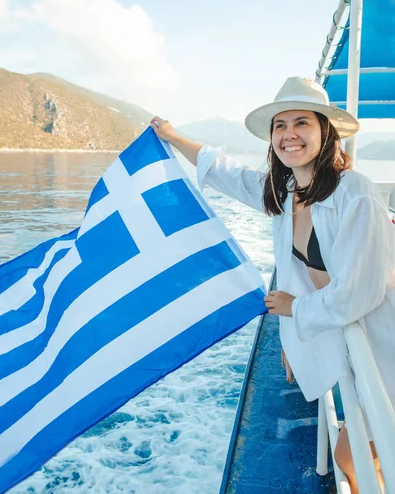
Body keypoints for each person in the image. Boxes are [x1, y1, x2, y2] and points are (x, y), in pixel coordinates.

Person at [150, 76, 395, 493]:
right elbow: (229, 174)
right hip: (358, 339)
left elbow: (358, 292)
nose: (289, 134)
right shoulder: (285, 191)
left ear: (325, 132)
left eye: (302, 122)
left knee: (357, 454)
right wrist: (171, 137)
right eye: (280, 126)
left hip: (385, 338)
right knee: (365, 449)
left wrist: (294, 311)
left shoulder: (356, 193)